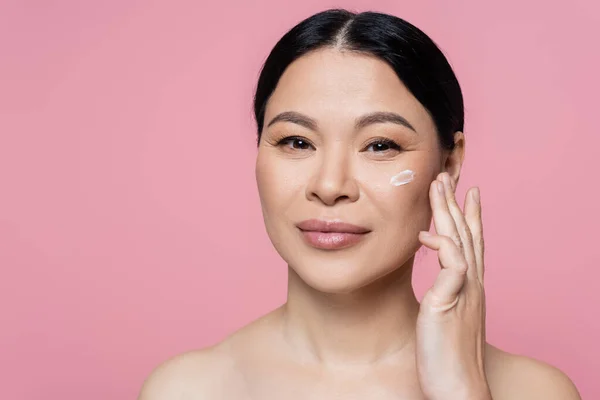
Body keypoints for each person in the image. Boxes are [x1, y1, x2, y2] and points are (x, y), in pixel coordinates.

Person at [138, 8, 581, 400]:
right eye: (296, 141)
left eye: (380, 145)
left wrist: (461, 392)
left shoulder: (533, 392)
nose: (330, 186)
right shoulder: (187, 389)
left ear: (449, 163)